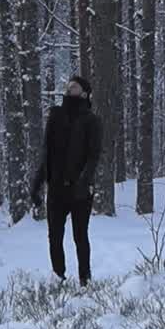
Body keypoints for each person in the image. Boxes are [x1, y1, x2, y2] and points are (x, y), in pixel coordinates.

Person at [31, 75, 103, 286]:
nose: (69, 88)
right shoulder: (56, 115)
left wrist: (84, 182)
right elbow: (47, 153)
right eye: (68, 86)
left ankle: (85, 280)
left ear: (84, 92)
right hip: (56, 188)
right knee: (54, 236)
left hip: (80, 189)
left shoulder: (92, 120)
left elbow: (93, 156)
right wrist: (37, 183)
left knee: (80, 236)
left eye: (75, 86)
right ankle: (58, 278)